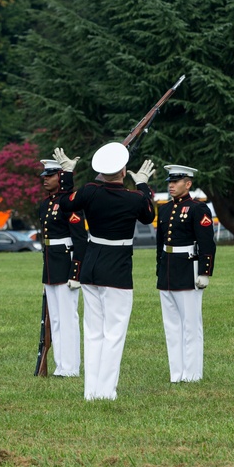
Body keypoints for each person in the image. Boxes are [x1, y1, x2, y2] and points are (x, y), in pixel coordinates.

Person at [55, 144, 156, 400]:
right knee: (114, 333)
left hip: (91, 267)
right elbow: (148, 215)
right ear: (124, 171)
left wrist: (67, 174)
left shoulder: (90, 191)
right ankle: (106, 391)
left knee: (93, 332)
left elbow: (65, 203)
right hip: (117, 271)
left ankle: (91, 391)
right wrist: (143, 184)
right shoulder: (134, 198)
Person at [156, 164, 216, 383]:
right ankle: (176, 373)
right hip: (168, 269)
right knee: (171, 326)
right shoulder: (163, 208)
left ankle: (191, 374)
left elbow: (207, 242)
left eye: (176, 182)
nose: (171, 186)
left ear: (188, 184)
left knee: (190, 325)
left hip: (188, 267)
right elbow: (159, 243)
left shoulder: (198, 208)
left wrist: (205, 271)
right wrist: (159, 269)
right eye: (170, 182)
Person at [38, 157, 88, 377]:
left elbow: (79, 239)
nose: (45, 180)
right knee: (56, 319)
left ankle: (71, 367)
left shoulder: (70, 202)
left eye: (50, 176)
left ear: (61, 177)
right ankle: (61, 365)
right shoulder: (45, 204)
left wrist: (76, 271)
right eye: (44, 176)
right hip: (51, 264)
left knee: (68, 318)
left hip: (67, 262)